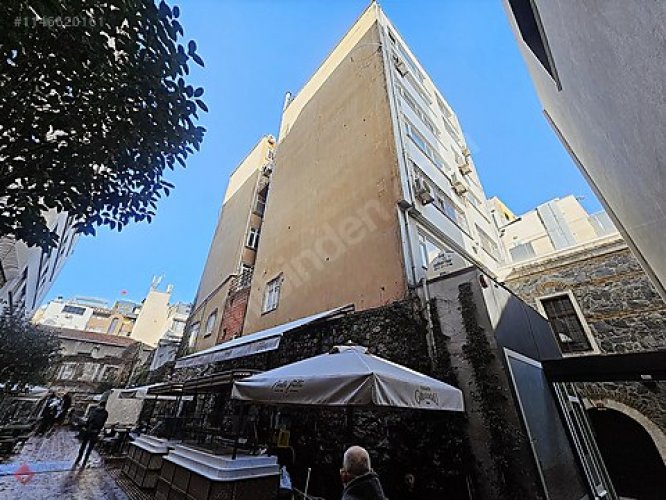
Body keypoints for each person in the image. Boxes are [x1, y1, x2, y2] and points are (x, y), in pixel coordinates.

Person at [74, 401, 109, 468]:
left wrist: (86, 426)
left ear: (99, 405)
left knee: (83, 445)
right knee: (90, 447)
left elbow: (89, 420)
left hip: (88, 430)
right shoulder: (105, 413)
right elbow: (102, 422)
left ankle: (79, 458)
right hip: (95, 431)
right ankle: (85, 459)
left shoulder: (94, 411)